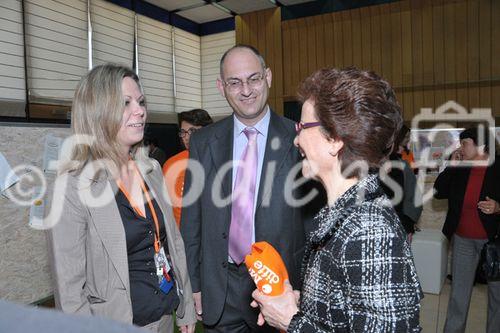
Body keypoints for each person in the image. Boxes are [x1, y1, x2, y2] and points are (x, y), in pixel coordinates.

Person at [251, 68, 423, 332]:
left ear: (334, 140)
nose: (296, 139)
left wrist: (292, 322)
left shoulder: (370, 232)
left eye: (302, 126)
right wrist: (300, 307)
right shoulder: (344, 213)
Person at [46, 64, 196, 333]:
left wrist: (184, 308)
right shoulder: (71, 188)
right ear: (98, 111)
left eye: (140, 101)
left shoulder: (150, 170)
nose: (139, 110)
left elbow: (172, 242)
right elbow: (69, 292)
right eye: (125, 103)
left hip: (164, 317)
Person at [180, 45, 307, 332]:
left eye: (254, 78)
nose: (246, 90)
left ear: (268, 77)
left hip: (281, 289)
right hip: (220, 289)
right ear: (221, 87)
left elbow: (312, 225)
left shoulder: (298, 139)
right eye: (235, 82)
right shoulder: (203, 142)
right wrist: (194, 285)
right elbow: (192, 220)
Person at [434, 126, 500, 333]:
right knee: (458, 295)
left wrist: (499, 207)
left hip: (494, 242)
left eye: (464, 143)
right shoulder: (461, 166)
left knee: (496, 296)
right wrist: (451, 166)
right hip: (463, 240)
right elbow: (438, 192)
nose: (460, 147)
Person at [162, 109, 213, 227]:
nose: (186, 137)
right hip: (181, 234)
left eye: (193, 131)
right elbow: (165, 205)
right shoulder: (171, 164)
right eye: (183, 132)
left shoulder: (220, 160)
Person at [381, 125, 422, 236]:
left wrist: (408, 224)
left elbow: (415, 198)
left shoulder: (402, 165)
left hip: (400, 226)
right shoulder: (367, 166)